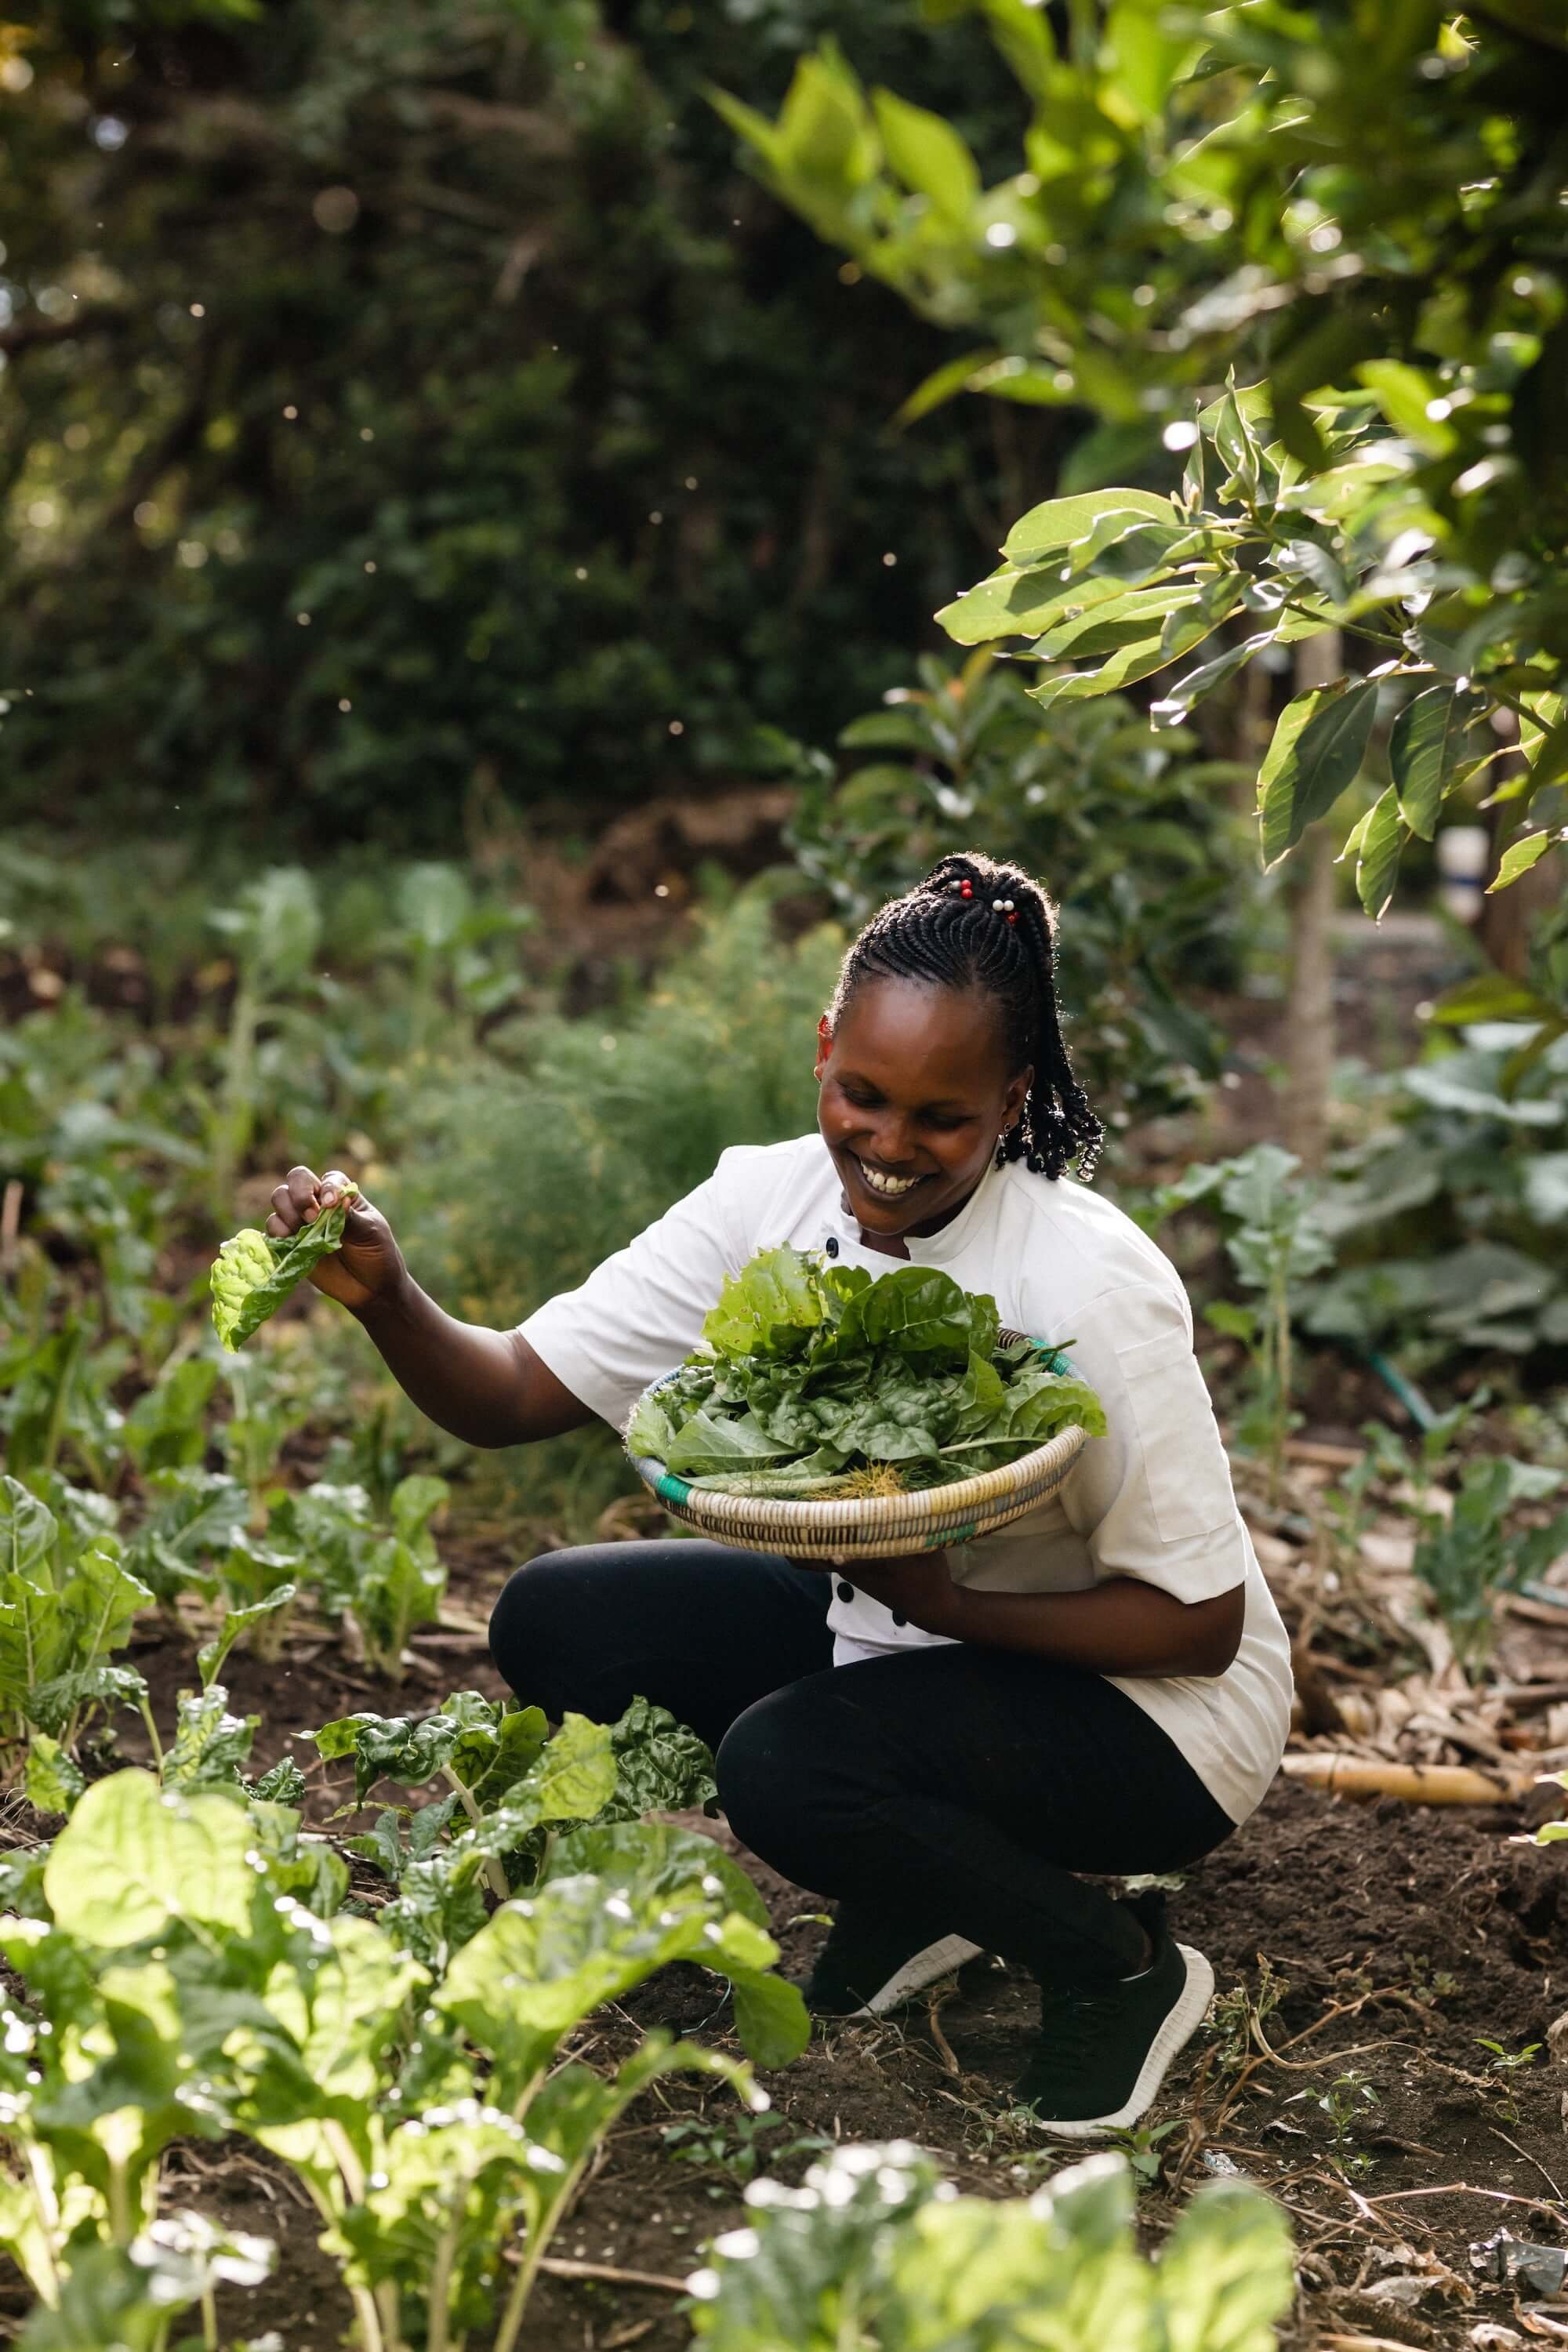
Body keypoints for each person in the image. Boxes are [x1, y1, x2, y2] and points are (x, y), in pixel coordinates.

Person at [266, 850, 1292, 2137]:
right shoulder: (769, 1197)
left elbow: (1201, 1624)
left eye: (942, 1118)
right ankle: (922, 1891)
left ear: (1012, 1102)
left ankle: (1119, 1969)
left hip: (1154, 1717)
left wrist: (948, 1605)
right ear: (822, 1052)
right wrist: (388, 1296)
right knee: (557, 1620)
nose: (890, 1146)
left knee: (788, 1768)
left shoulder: (1087, 1284)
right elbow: (514, 1392)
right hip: (908, 1627)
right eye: (863, 1094)